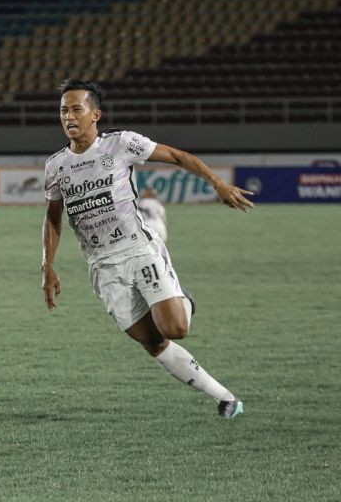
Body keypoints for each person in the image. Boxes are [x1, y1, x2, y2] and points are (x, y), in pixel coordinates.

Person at [40, 79, 254, 419]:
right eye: (63, 110)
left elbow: (178, 156)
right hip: (102, 268)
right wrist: (47, 266)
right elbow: (53, 219)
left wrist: (218, 184)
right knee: (152, 342)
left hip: (138, 250)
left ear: (95, 114)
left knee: (176, 329)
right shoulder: (56, 166)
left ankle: (181, 298)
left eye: (76, 109)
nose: (69, 116)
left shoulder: (122, 143)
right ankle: (226, 399)